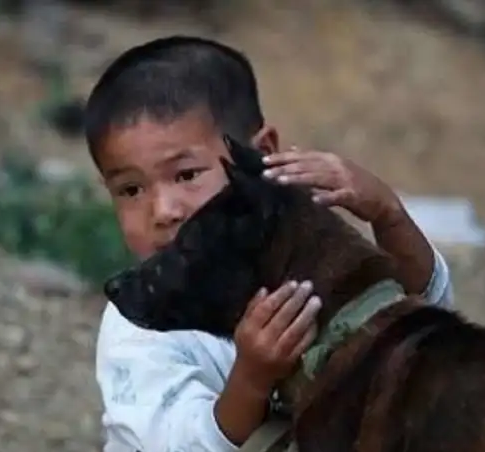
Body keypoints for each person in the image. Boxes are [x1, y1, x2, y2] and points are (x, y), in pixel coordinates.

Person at [87, 35, 455, 452]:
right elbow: (177, 444)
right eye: (131, 190)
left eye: (186, 175)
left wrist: (389, 215)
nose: (163, 210)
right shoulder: (143, 320)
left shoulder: (296, 250)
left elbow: (420, 324)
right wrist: (251, 379)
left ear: (260, 154)